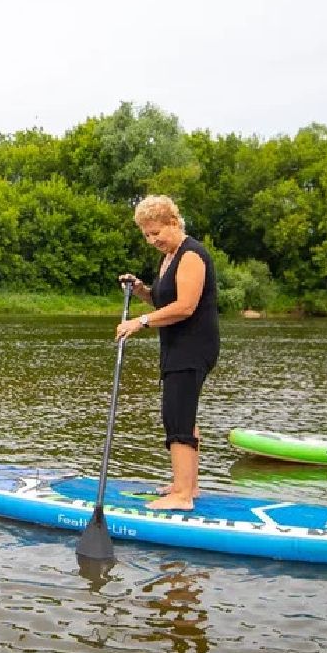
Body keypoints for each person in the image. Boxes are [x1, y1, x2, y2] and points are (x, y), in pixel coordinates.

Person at [114, 194, 219, 510]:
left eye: (156, 232)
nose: (151, 240)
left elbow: (185, 306)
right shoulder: (169, 258)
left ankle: (183, 496)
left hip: (193, 345)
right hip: (176, 346)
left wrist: (140, 322)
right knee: (182, 414)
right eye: (146, 234)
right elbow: (165, 303)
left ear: (174, 222)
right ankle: (186, 485)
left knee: (177, 415)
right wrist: (143, 291)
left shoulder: (191, 255)